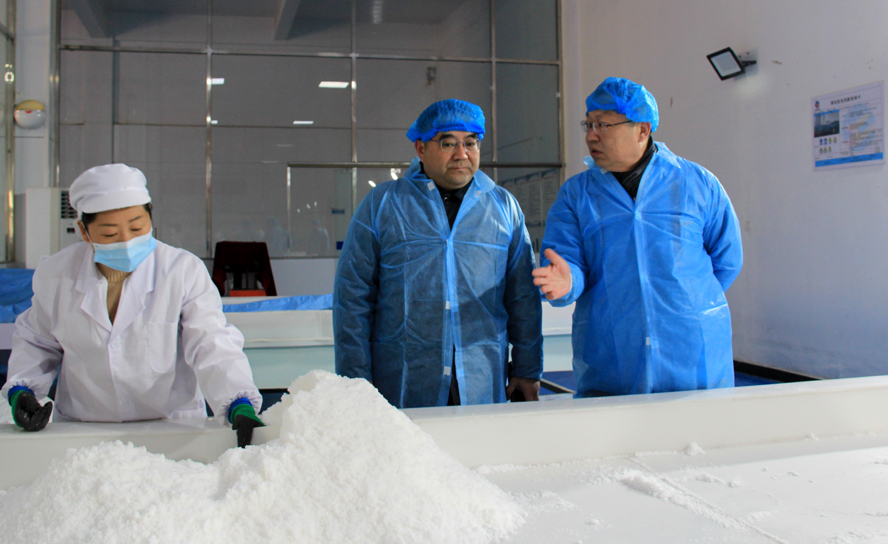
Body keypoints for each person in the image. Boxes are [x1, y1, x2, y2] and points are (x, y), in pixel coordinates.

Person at [1, 164, 264, 447]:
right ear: (84, 231)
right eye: (110, 234)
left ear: (150, 215)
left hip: (172, 429)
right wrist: (22, 390)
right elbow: (38, 341)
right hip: (84, 430)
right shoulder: (56, 274)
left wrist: (238, 401)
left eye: (137, 227)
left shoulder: (182, 270)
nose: (127, 241)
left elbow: (210, 342)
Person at [533, 78, 743, 397]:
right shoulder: (577, 195)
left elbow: (727, 260)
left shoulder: (696, 184)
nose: (591, 135)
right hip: (613, 353)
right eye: (588, 124)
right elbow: (566, 262)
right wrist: (568, 282)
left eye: (603, 125)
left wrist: (682, 303)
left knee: (699, 426)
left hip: (692, 352)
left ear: (642, 130)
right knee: (615, 427)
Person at [334, 99, 543, 408]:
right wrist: (354, 382)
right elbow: (352, 298)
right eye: (448, 143)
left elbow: (523, 296)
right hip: (404, 380)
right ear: (421, 149)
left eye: (470, 143)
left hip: (481, 378)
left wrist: (527, 367)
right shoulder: (383, 205)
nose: (462, 154)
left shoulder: (503, 207)